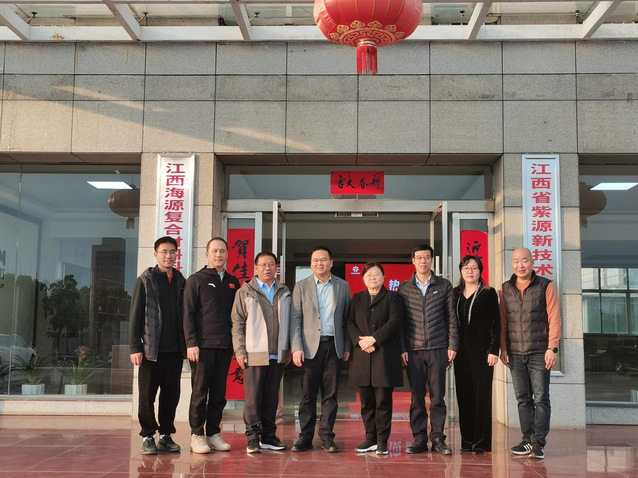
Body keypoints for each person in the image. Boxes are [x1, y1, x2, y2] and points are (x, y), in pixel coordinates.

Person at [500, 247, 561, 460]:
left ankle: (538, 443)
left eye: (524, 260)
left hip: (539, 352)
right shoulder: (506, 289)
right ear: (512, 263)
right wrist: (503, 348)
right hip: (515, 353)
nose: (520, 265)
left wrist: (552, 347)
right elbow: (503, 321)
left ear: (532, 262)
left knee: (541, 398)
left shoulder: (545, 285)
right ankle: (527, 440)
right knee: (523, 399)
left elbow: (554, 317)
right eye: (516, 261)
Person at [290, 246, 352, 453]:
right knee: (308, 395)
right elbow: (295, 319)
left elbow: (347, 319)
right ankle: (305, 437)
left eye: (323, 259)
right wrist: (296, 347)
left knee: (330, 394)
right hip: (309, 348)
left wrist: (347, 346)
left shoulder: (342, 286)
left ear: (331, 263)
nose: (319, 263)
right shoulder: (301, 286)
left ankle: (327, 436)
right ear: (311, 264)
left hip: (334, 346)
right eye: (315, 260)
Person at [398, 244, 458, 455]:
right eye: (419, 257)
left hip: (438, 348)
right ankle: (419, 438)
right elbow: (401, 322)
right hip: (413, 349)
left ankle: (438, 438)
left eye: (427, 257)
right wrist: (402, 348)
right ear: (413, 261)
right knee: (416, 396)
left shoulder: (443, 285)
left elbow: (451, 318)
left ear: (432, 260)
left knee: (438, 396)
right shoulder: (404, 288)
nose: (423, 261)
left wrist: (452, 345)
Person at [129, 236, 186, 455]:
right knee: (147, 396)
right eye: (164, 252)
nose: (168, 256)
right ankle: (147, 436)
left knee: (170, 396)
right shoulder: (145, 281)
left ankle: (165, 435)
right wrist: (135, 347)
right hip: (150, 351)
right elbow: (135, 316)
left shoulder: (181, 281)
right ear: (156, 254)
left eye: (172, 252)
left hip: (174, 351)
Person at [231, 251, 292, 454]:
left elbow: (290, 322)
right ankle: (252, 438)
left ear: (276, 267)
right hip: (254, 353)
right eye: (263, 264)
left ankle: (268, 436)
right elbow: (237, 324)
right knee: (253, 399)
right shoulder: (245, 291)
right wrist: (240, 351)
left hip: (277, 354)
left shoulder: (284, 291)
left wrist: (289, 348)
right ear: (255, 267)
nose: (268, 268)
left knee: (271, 399)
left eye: (271, 264)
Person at [184, 237, 240, 454]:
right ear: (207, 254)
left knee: (218, 393)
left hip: (224, 345)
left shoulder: (233, 282)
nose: (218, 255)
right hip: (202, 347)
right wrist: (191, 343)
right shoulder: (196, 280)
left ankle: (214, 433)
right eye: (214, 251)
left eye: (222, 251)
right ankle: (197, 435)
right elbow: (187, 314)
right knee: (200, 392)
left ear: (227, 254)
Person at [347, 262, 403, 456]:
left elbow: (395, 322)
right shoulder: (357, 298)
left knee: (383, 401)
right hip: (362, 356)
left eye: (377, 274)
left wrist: (374, 338)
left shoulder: (393, 298)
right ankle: (369, 438)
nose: (373, 277)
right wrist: (360, 341)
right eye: (369, 274)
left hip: (384, 356)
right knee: (366, 403)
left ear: (384, 277)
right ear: (363, 278)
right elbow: (349, 322)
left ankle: (382, 441)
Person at [453, 255, 500, 454]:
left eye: (474, 268)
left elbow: (496, 323)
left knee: (482, 396)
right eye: (466, 268)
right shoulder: (455, 294)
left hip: (483, 353)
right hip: (461, 354)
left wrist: (494, 350)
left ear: (480, 271)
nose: (470, 271)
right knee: (464, 397)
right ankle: (467, 441)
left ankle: (481, 442)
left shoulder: (488, 293)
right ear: (461, 271)